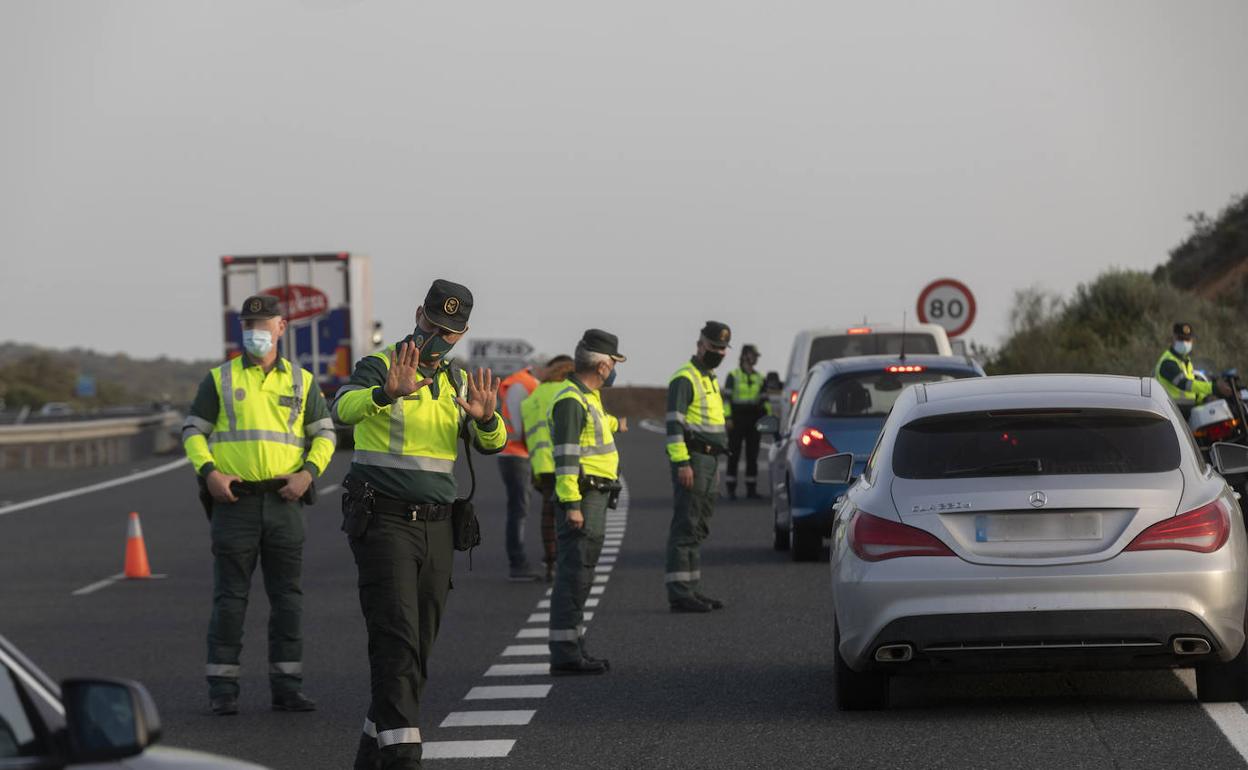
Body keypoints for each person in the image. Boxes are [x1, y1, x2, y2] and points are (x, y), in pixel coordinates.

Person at [332, 279, 505, 770]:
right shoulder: (380, 366)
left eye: (449, 331)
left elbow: (492, 442)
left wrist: (488, 420)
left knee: (417, 651)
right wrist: (385, 396)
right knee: (397, 641)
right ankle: (405, 758)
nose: (438, 336)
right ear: (417, 315)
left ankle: (373, 756)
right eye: (431, 324)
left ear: (462, 332)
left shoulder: (456, 381)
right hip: (384, 523)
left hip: (439, 528)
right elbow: (341, 407)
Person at [182, 294, 336, 717]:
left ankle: (287, 686)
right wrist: (209, 471)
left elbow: (325, 434)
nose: (256, 334)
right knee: (230, 599)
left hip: (285, 502)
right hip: (235, 503)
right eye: (249, 327)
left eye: (263, 327)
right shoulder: (221, 380)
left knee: (288, 599)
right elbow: (193, 431)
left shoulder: (301, 382)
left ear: (281, 328)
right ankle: (222, 688)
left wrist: (308, 473)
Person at [548, 330, 626, 675]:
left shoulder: (587, 398)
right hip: (583, 495)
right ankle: (566, 653)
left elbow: (594, 426)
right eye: (614, 362)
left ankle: (574, 646)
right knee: (574, 575)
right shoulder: (571, 400)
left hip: (595, 495)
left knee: (583, 574)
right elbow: (565, 456)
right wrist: (571, 504)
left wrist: (615, 424)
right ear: (604, 366)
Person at [664, 321, 731, 613]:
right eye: (714, 346)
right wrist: (681, 463)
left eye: (722, 348)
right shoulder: (685, 378)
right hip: (693, 460)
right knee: (686, 525)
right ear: (700, 344)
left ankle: (692, 588)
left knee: (698, 526)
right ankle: (680, 592)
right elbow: (674, 425)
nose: (718, 352)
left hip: (711, 460)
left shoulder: (710, 377)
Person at [520, 355, 575, 582]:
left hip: (542, 464)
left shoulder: (535, 396)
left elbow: (524, 434)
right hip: (568, 463)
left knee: (548, 515)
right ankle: (570, 562)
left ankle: (551, 563)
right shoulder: (570, 391)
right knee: (572, 513)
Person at [497, 365, 540, 580]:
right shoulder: (523, 384)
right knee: (518, 511)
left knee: (519, 509)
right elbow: (519, 425)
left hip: (515, 454)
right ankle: (517, 563)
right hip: (516, 454)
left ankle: (522, 560)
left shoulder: (520, 383)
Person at [723, 344, 771, 500]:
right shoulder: (733, 375)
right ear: (745, 355)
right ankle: (731, 489)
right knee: (734, 454)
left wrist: (768, 419)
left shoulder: (759, 377)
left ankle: (751, 489)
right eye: (753, 355)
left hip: (754, 420)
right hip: (737, 419)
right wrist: (728, 418)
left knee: (753, 455)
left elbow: (765, 401)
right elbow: (726, 400)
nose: (756, 358)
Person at [1155, 322, 1230, 409]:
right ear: (1173, 338)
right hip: (1172, 412)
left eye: (1187, 339)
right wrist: (1214, 387)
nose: (1184, 342)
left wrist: (1204, 398)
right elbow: (1185, 384)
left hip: (1187, 411)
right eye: (1181, 339)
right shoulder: (1168, 362)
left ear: (1192, 341)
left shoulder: (1186, 361)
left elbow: (1192, 390)